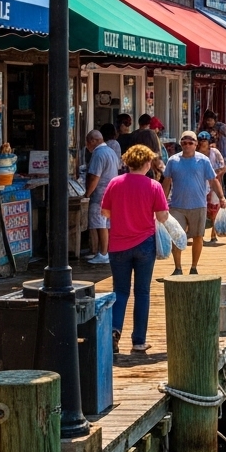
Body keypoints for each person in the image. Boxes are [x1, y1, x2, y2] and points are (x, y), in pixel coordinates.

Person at [100, 144, 169, 354]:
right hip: (144, 244)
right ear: (147, 163)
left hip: (118, 244)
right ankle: (139, 341)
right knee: (142, 292)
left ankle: (114, 330)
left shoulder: (115, 183)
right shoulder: (154, 186)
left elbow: (105, 212)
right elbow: (162, 216)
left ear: (127, 162)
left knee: (120, 291)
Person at [163, 132, 225, 275]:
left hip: (198, 204)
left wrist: (222, 197)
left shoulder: (203, 160)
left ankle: (194, 267)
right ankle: (178, 267)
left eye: (190, 143)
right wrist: (162, 202)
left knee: (198, 236)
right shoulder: (173, 161)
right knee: (176, 235)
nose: (187, 145)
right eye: (184, 142)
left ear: (196, 144)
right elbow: (166, 182)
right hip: (177, 205)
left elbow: (213, 180)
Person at [83, 130, 118, 265]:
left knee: (99, 224)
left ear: (92, 141)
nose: (87, 146)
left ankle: (103, 253)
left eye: (87, 142)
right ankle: (105, 251)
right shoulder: (110, 152)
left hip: (100, 195)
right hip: (110, 194)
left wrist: (87, 194)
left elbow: (94, 177)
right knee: (106, 224)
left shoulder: (98, 154)